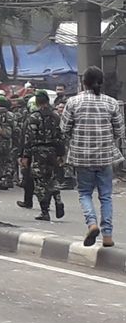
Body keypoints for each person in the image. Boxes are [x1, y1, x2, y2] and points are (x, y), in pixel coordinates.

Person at [61, 66, 125, 247]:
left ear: (84, 82)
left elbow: (64, 128)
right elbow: (120, 130)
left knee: (84, 193)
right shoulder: (111, 103)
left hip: (81, 158)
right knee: (105, 196)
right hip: (105, 157)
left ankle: (91, 224)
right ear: (101, 82)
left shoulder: (73, 102)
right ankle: (108, 236)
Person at [21, 90, 66, 221]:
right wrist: (61, 154)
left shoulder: (34, 117)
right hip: (52, 151)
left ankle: (44, 211)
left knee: (40, 181)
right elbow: (60, 136)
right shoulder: (55, 116)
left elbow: (29, 138)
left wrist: (25, 156)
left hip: (38, 152)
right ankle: (58, 199)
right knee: (52, 177)